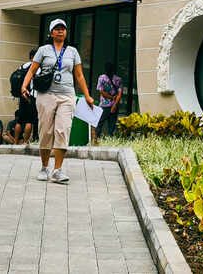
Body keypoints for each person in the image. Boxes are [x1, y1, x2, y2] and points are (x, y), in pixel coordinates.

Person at [20, 19, 94, 184]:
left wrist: (87, 96)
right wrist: (24, 86)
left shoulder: (73, 51)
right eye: (57, 29)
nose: (60, 31)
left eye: (63, 29)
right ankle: (45, 167)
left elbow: (80, 75)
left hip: (67, 96)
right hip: (46, 94)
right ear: (51, 32)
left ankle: (57, 170)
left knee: (63, 130)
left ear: (66, 32)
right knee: (46, 131)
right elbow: (32, 69)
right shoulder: (43, 50)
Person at [94, 63, 125, 143]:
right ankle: (111, 142)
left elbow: (101, 91)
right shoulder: (118, 79)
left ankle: (96, 140)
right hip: (114, 106)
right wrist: (114, 105)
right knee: (111, 125)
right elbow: (119, 94)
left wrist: (110, 98)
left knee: (99, 124)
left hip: (104, 105)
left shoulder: (102, 78)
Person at [13, 50, 38, 145]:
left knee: (19, 121)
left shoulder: (22, 66)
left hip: (22, 95)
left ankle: (15, 141)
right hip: (31, 96)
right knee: (29, 121)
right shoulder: (36, 67)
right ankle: (25, 142)